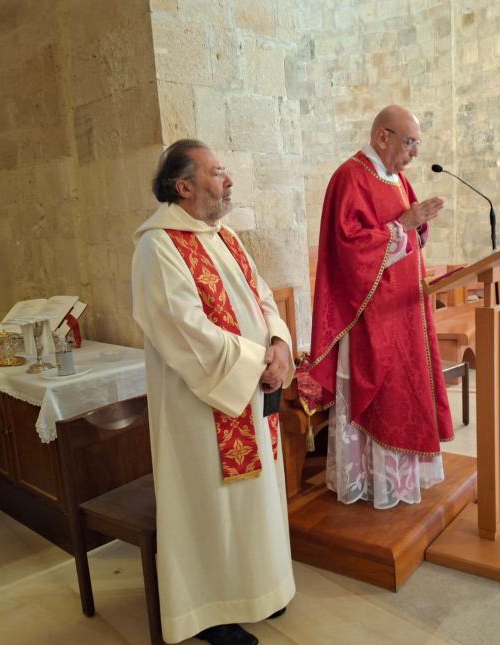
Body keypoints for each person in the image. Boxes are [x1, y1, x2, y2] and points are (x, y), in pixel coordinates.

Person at [132, 139, 295, 645]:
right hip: (202, 404)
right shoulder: (157, 246)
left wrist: (279, 343)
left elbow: (261, 294)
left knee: (254, 501)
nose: (229, 181)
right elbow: (181, 328)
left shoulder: (222, 235)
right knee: (212, 505)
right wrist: (256, 365)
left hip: (248, 392)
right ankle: (212, 610)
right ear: (184, 186)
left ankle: (257, 589)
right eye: (217, 172)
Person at [308, 105, 455, 510]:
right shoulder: (350, 176)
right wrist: (404, 226)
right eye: (409, 142)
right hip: (369, 312)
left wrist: (417, 227)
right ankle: (371, 480)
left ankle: (399, 478)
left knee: (406, 391)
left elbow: (410, 235)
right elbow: (349, 249)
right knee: (381, 393)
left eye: (417, 144)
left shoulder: (397, 179)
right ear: (382, 136)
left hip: (404, 308)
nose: (414, 153)